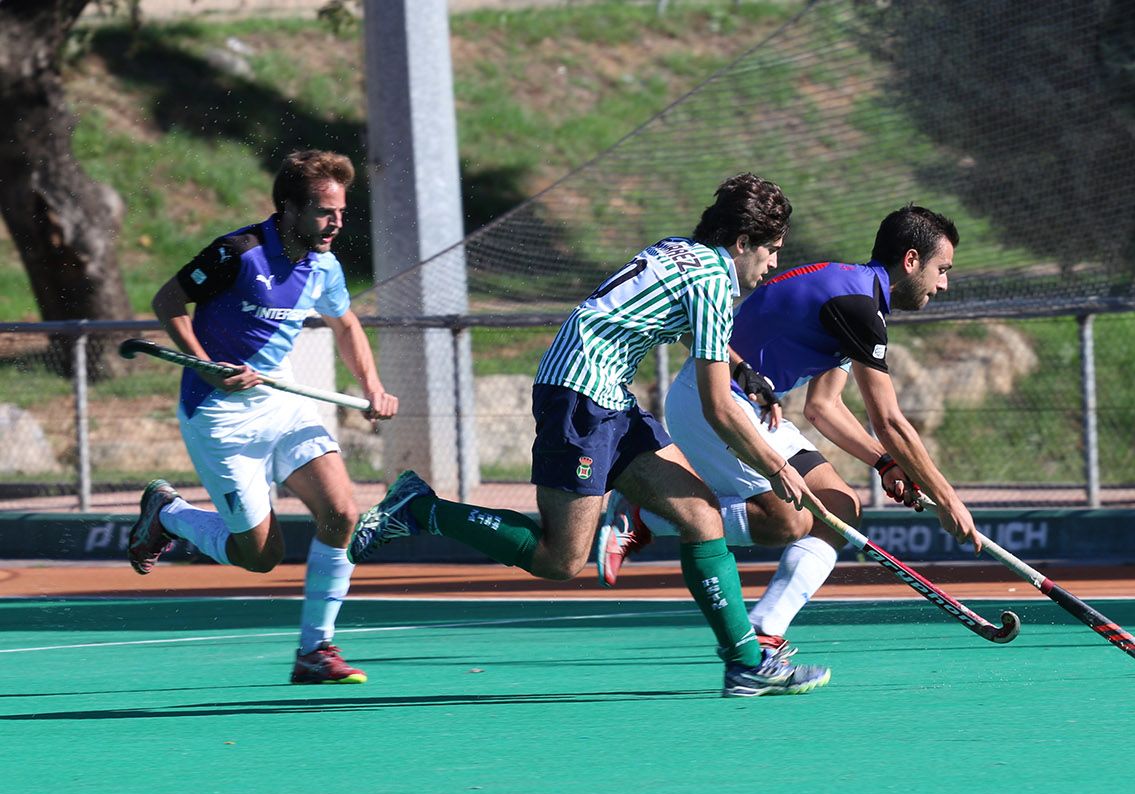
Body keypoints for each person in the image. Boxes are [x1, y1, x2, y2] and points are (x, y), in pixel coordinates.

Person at [346, 173, 831, 698]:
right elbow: (717, 410)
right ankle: (418, 508)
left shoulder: (683, 252)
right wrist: (777, 467)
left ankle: (745, 664)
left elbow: (697, 336)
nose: (773, 264)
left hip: (606, 394)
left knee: (701, 514)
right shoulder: (715, 281)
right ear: (742, 243)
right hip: (579, 395)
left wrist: (745, 374)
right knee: (561, 558)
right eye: (772, 251)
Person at [596, 204, 979, 650]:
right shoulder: (856, 304)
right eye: (941, 269)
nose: (943, 283)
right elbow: (889, 419)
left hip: (750, 407)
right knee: (786, 520)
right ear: (911, 261)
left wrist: (885, 462)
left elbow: (823, 407)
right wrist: (948, 499)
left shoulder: (853, 292)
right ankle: (647, 512)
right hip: (715, 403)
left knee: (839, 508)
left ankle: (766, 627)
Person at [129, 149, 400, 684]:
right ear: (290, 209)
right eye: (326, 212)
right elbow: (168, 301)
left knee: (342, 513)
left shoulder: (324, 266)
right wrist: (206, 367)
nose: (337, 224)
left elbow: (345, 325)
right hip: (219, 417)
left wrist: (372, 386)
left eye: (342, 212)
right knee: (260, 556)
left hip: (281, 403)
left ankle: (315, 650)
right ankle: (168, 515)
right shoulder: (238, 252)